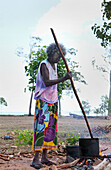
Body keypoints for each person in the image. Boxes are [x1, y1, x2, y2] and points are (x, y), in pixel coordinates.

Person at [30, 43, 72, 169]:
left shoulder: (55, 65)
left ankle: (44, 157)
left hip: (53, 100)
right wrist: (64, 78)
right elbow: (47, 82)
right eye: (58, 56)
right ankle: (35, 159)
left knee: (50, 130)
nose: (60, 59)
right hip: (43, 101)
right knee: (41, 129)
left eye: (61, 56)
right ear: (52, 54)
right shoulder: (44, 64)